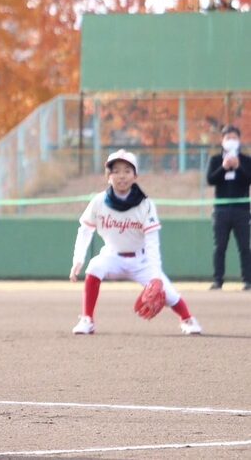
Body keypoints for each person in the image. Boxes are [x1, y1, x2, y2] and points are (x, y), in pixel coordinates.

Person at [69, 149, 201, 335]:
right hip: (112, 255)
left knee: (169, 294)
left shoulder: (145, 205)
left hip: (141, 260)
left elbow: (153, 243)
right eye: (116, 171)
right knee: (94, 266)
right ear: (108, 176)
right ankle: (87, 319)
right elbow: (85, 229)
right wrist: (78, 259)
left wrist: (155, 276)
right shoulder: (99, 201)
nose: (121, 176)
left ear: (135, 175)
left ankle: (188, 319)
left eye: (127, 170)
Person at [206, 125, 251, 291]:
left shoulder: (246, 160)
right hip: (221, 210)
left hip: (242, 210)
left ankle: (248, 281)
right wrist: (223, 167)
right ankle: (218, 280)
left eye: (234, 138)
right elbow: (210, 180)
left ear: (239, 140)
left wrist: (238, 166)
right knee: (220, 247)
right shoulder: (216, 160)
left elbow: (249, 179)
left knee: (245, 247)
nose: (231, 141)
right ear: (222, 141)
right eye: (228, 138)